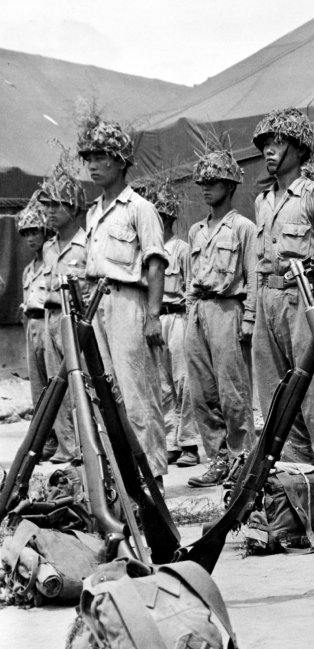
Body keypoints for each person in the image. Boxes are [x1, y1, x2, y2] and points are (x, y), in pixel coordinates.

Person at [252, 108, 314, 464]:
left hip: (302, 302)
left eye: (277, 142)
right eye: (265, 143)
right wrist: (253, 313)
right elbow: (257, 264)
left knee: (312, 398)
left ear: (298, 149)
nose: (269, 150)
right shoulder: (262, 202)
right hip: (268, 302)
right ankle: (294, 483)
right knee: (275, 397)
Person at [78, 115, 169, 480]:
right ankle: (123, 480)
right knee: (105, 394)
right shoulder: (93, 213)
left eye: (101, 157)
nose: (93, 165)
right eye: (89, 158)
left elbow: (155, 263)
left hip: (129, 303)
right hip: (98, 304)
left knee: (137, 395)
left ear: (119, 160)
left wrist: (152, 314)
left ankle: (153, 479)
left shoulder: (139, 209)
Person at [185, 148, 258, 488]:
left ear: (229, 186)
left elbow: (253, 275)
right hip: (199, 311)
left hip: (229, 309)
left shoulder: (244, 228)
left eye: (213, 182)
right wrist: (190, 312)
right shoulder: (196, 231)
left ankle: (242, 461)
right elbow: (190, 275)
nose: (205, 188)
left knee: (233, 393)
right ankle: (217, 460)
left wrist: (250, 318)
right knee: (202, 393)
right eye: (203, 182)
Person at [135, 179, 200, 469]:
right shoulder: (148, 251)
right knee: (161, 385)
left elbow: (192, 284)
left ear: (169, 218)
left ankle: (189, 443)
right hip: (157, 318)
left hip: (179, 317)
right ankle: (171, 441)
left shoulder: (181, 249)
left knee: (183, 380)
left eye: (160, 216)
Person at [37, 155, 88, 464]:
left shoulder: (85, 244)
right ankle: (67, 447)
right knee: (56, 389)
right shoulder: (48, 247)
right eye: (48, 205)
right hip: (49, 318)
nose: (51, 212)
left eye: (57, 205)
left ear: (73, 208)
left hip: (74, 319)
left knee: (83, 383)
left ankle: (87, 447)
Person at [16, 195, 57, 461]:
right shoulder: (29, 270)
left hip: (49, 321)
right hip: (32, 325)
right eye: (27, 233)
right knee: (39, 390)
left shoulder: (54, 261)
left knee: (56, 384)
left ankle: (67, 441)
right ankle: (46, 440)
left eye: (36, 232)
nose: (31, 238)